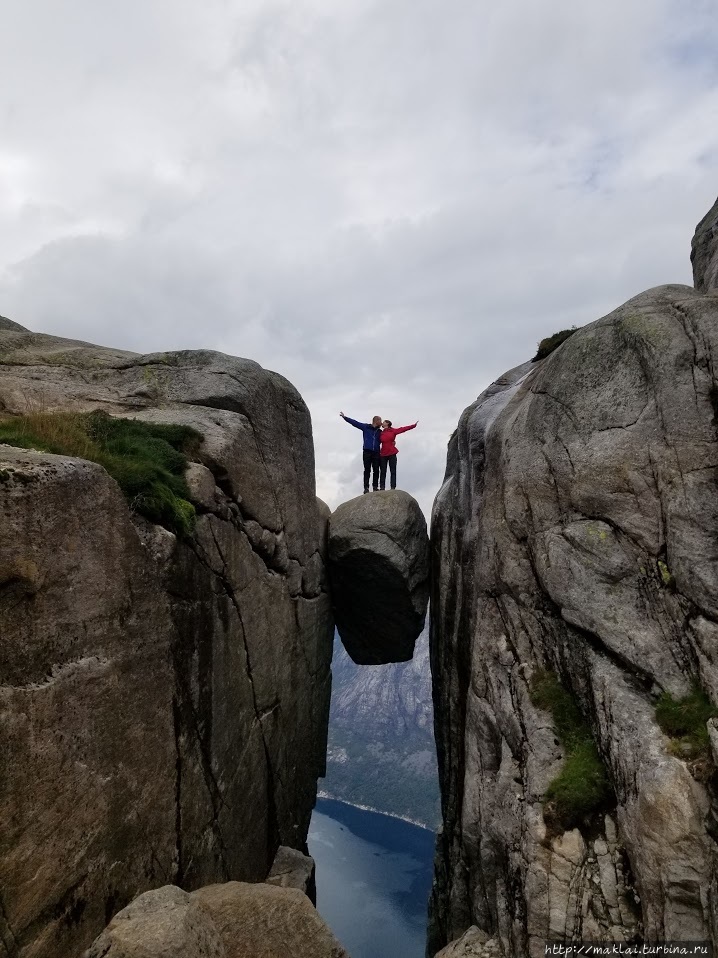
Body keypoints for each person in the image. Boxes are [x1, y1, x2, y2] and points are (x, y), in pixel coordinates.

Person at [340, 411, 382, 493]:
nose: (381, 422)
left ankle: (375, 487)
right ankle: (366, 488)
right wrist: (345, 418)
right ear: (376, 421)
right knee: (367, 470)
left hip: (376, 453)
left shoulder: (380, 432)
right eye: (380, 421)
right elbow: (355, 423)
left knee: (376, 470)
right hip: (367, 452)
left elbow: (387, 438)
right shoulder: (366, 427)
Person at [379, 419, 418, 490]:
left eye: (384, 422)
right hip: (383, 454)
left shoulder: (393, 430)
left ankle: (393, 487)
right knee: (383, 471)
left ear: (387, 423)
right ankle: (382, 487)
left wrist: (413, 426)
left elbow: (403, 429)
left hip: (392, 453)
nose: (382, 422)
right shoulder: (381, 433)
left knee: (393, 471)